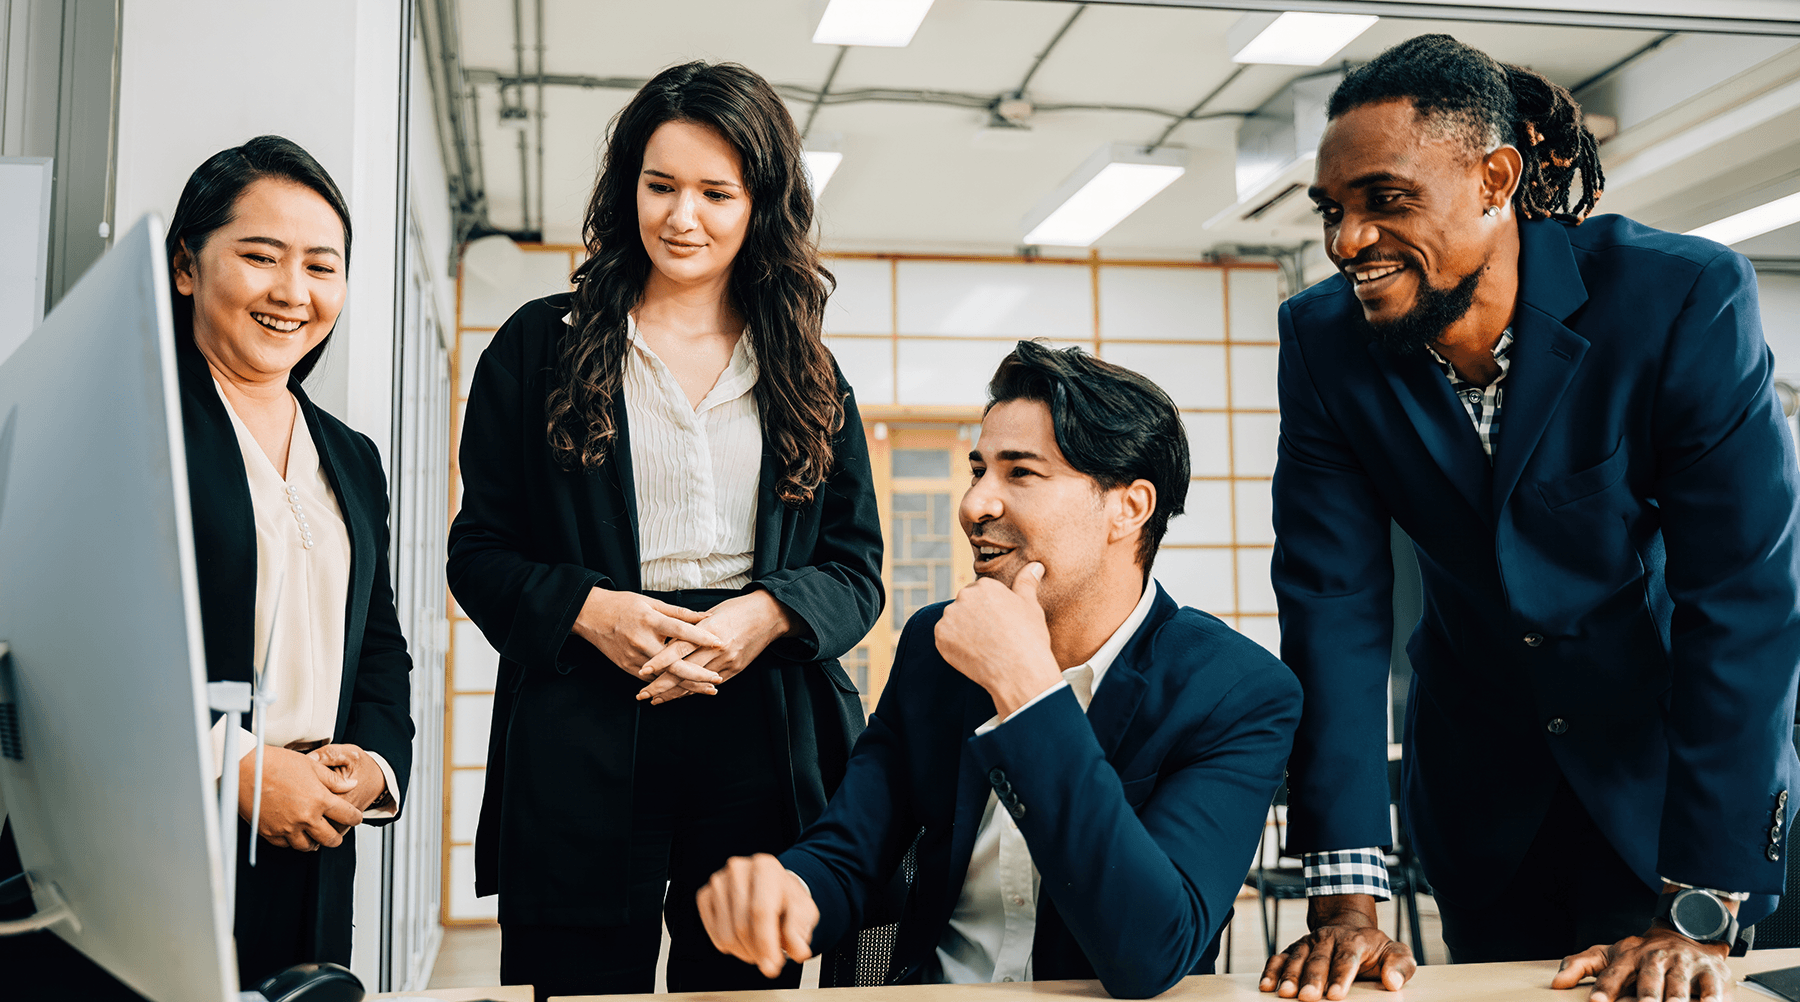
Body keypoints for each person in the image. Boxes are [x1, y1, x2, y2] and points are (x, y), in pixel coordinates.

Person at [1264, 34, 1800, 1002]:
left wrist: (1699, 909)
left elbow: (1745, 600)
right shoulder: (1322, 343)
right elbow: (1332, 603)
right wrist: (1347, 902)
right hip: (1483, 799)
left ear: (1495, 178)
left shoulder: (1677, 299)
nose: (1348, 241)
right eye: (1333, 211)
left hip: (1673, 790)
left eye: (1386, 199)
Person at [448, 61, 882, 1000]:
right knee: (581, 985)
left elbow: (856, 569)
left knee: (738, 983)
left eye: (716, 193)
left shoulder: (808, 370)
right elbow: (478, 552)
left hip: (761, 723)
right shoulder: (539, 346)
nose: (683, 217)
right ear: (627, 188)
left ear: (760, 204)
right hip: (584, 714)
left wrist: (763, 616)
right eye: (660, 186)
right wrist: (591, 611)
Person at [696, 342, 1302, 999]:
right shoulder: (939, 643)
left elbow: (1150, 953)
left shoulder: (1237, 692)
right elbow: (850, 851)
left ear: (1128, 508)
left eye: (1021, 474)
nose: (975, 504)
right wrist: (789, 889)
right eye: (978, 469)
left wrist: (1027, 688)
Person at [0, 135, 417, 994]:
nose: (292, 293)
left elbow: (377, 644)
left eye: (321, 266)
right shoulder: (118, 423)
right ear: (186, 266)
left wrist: (373, 767)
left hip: (309, 843)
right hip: (145, 841)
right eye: (261, 257)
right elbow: (61, 652)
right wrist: (237, 766)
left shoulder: (352, 455)